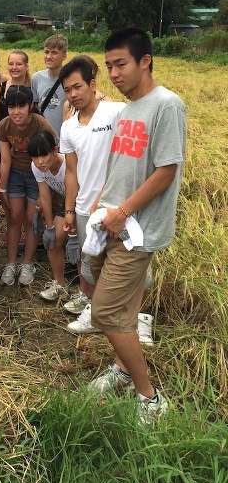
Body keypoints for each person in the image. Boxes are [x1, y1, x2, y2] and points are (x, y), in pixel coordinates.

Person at [82, 27, 186, 424]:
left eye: (120, 64)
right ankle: (123, 369)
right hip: (110, 221)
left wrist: (123, 211)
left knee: (106, 311)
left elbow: (166, 171)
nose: (113, 74)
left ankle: (150, 397)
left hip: (136, 230)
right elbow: (120, 168)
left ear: (145, 61)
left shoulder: (166, 105)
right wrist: (101, 206)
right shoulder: (127, 111)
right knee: (116, 303)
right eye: (108, 66)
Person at [60, 58, 154, 343]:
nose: (73, 94)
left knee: (133, 268)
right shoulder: (68, 128)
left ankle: (140, 319)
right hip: (85, 209)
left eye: (78, 86)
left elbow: (132, 156)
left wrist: (109, 199)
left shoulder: (116, 113)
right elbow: (72, 172)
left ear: (92, 85)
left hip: (120, 208)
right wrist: (69, 209)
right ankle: (102, 314)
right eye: (67, 90)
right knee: (93, 266)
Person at [0, 85, 56, 286]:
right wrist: (2, 188)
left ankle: (27, 263)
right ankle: (11, 263)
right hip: (15, 173)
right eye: (11, 107)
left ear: (30, 105)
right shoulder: (4, 126)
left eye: (21, 106)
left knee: (32, 219)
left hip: (36, 175)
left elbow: (52, 153)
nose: (16, 112)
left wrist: (46, 187)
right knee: (14, 217)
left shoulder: (41, 124)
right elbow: (5, 159)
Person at [27, 131, 71, 300]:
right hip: (63, 202)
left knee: (81, 246)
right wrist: (50, 226)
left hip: (82, 202)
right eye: (35, 157)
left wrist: (73, 223)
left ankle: (86, 292)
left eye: (44, 155)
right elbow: (44, 196)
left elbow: (79, 192)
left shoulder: (68, 164)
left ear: (55, 150)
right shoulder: (36, 167)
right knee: (53, 241)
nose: (40, 161)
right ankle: (60, 284)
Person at [0, 49, 31, 162]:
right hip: (3, 142)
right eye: (11, 64)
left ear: (26, 66)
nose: (14, 67)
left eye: (19, 64)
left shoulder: (33, 88)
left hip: (27, 144)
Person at [31, 34, 68, 137]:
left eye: (54, 53)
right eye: (46, 52)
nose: (48, 57)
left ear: (64, 56)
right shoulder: (37, 78)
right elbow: (34, 109)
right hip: (42, 138)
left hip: (63, 139)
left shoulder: (70, 80)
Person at [62, 54, 112, 121]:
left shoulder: (108, 103)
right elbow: (65, 125)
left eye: (78, 87)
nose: (73, 94)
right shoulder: (68, 105)